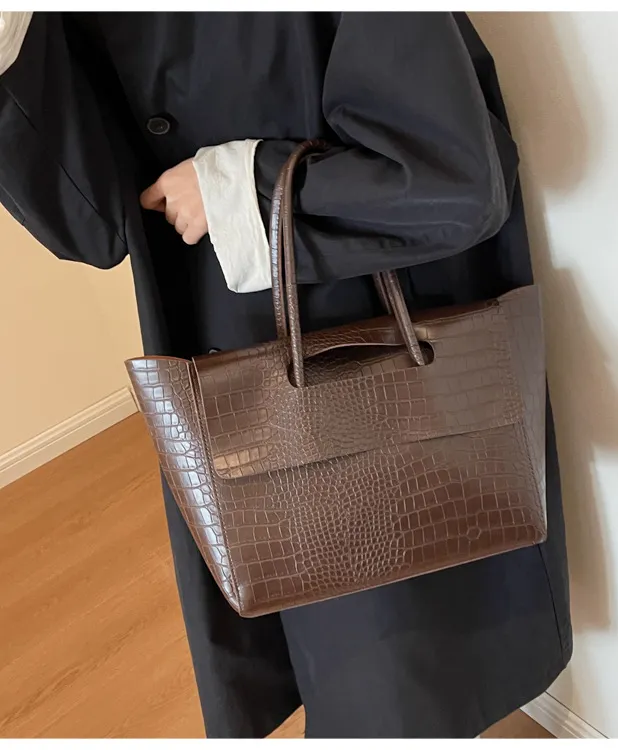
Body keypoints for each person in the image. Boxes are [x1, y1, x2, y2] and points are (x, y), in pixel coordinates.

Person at [0, 11, 572, 738]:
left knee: (388, 661)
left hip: (364, 332)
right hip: (226, 344)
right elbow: (95, 225)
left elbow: (455, 177)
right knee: (312, 620)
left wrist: (243, 186)